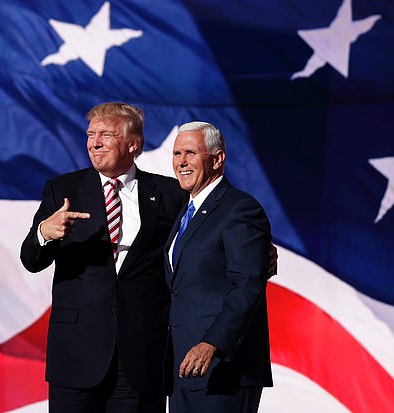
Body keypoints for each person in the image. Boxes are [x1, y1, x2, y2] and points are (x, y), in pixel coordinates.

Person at [20, 102, 186, 413]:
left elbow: (199, 239)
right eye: (91, 134)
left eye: (106, 135)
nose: (94, 142)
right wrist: (45, 232)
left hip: (141, 354)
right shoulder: (63, 189)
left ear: (133, 145)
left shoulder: (169, 193)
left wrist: (258, 247)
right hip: (77, 354)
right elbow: (31, 259)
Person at [166, 121, 273, 413]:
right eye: (176, 154)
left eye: (190, 153)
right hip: (183, 369)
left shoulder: (240, 209)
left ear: (217, 159)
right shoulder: (184, 211)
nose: (181, 162)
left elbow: (248, 284)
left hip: (224, 368)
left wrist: (212, 343)